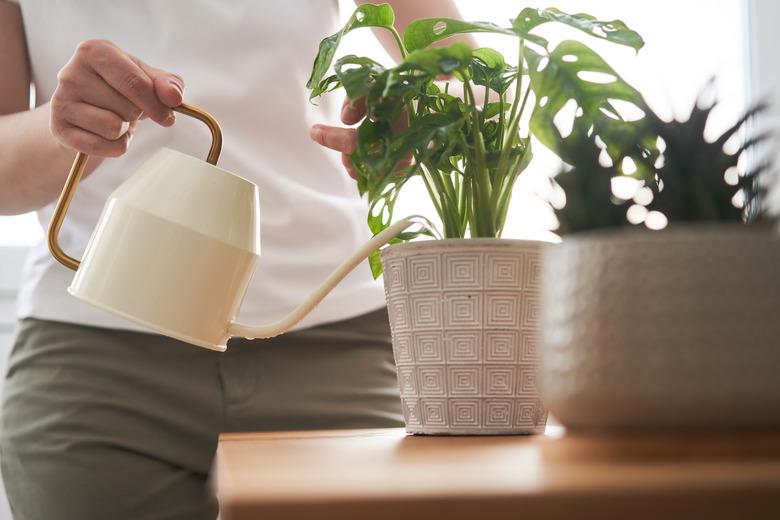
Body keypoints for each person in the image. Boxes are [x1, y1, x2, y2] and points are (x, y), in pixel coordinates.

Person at [0, 0, 469, 518]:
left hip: (336, 342)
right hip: (96, 367)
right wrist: (65, 126)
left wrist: (419, 109)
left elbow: (472, 77)